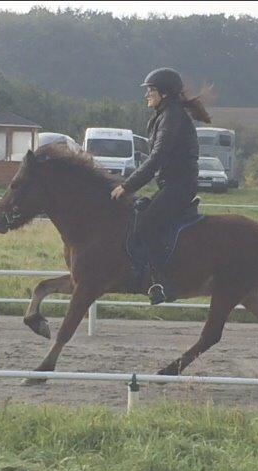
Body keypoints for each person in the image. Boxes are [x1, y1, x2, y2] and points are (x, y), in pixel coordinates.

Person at [110, 67, 211, 305]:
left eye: (150, 90)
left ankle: (162, 282)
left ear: (164, 93)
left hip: (179, 186)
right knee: (139, 215)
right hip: (171, 185)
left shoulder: (172, 116)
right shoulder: (165, 115)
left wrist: (128, 186)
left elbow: (157, 158)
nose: (147, 95)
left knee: (146, 225)